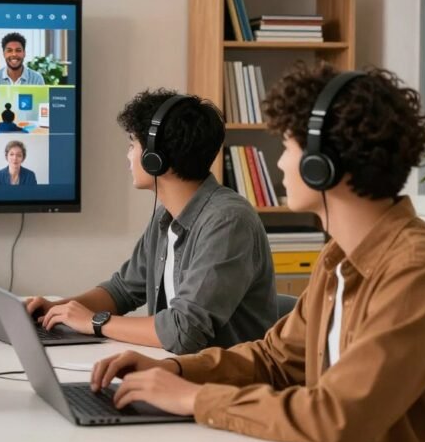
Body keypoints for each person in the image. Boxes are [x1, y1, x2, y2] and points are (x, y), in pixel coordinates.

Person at [91, 64, 425, 442]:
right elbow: (274, 360)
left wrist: (195, 399)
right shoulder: (337, 261)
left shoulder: (419, 272)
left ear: (321, 164)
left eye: (287, 146)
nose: (280, 162)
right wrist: (178, 372)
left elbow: (336, 417)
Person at [25, 89, 276, 353]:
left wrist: (95, 322)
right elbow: (122, 291)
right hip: (176, 371)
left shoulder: (227, 222)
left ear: (155, 159)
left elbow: (184, 331)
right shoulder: (166, 217)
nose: (128, 156)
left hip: (224, 386)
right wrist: (57, 310)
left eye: (132, 145)